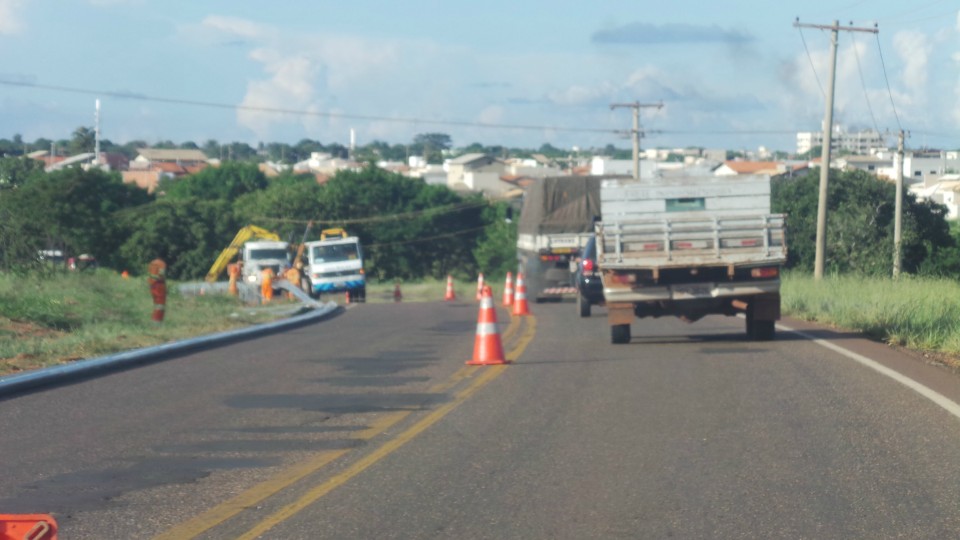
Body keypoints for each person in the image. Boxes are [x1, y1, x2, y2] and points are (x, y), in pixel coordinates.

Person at [147, 258, 167, 323]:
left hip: (152, 284)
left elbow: (150, 274)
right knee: (160, 305)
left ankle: (154, 319)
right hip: (159, 285)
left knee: (156, 304)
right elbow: (161, 274)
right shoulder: (161, 263)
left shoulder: (152, 262)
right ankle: (156, 321)